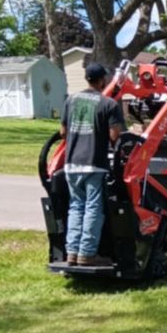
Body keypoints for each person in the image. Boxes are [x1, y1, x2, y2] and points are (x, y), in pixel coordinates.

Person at [61, 63, 125, 266]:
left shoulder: (70, 101)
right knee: (93, 209)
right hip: (94, 164)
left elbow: (63, 132)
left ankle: (71, 253)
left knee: (75, 208)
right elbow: (115, 136)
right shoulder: (108, 104)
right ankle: (87, 254)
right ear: (102, 80)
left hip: (71, 164)